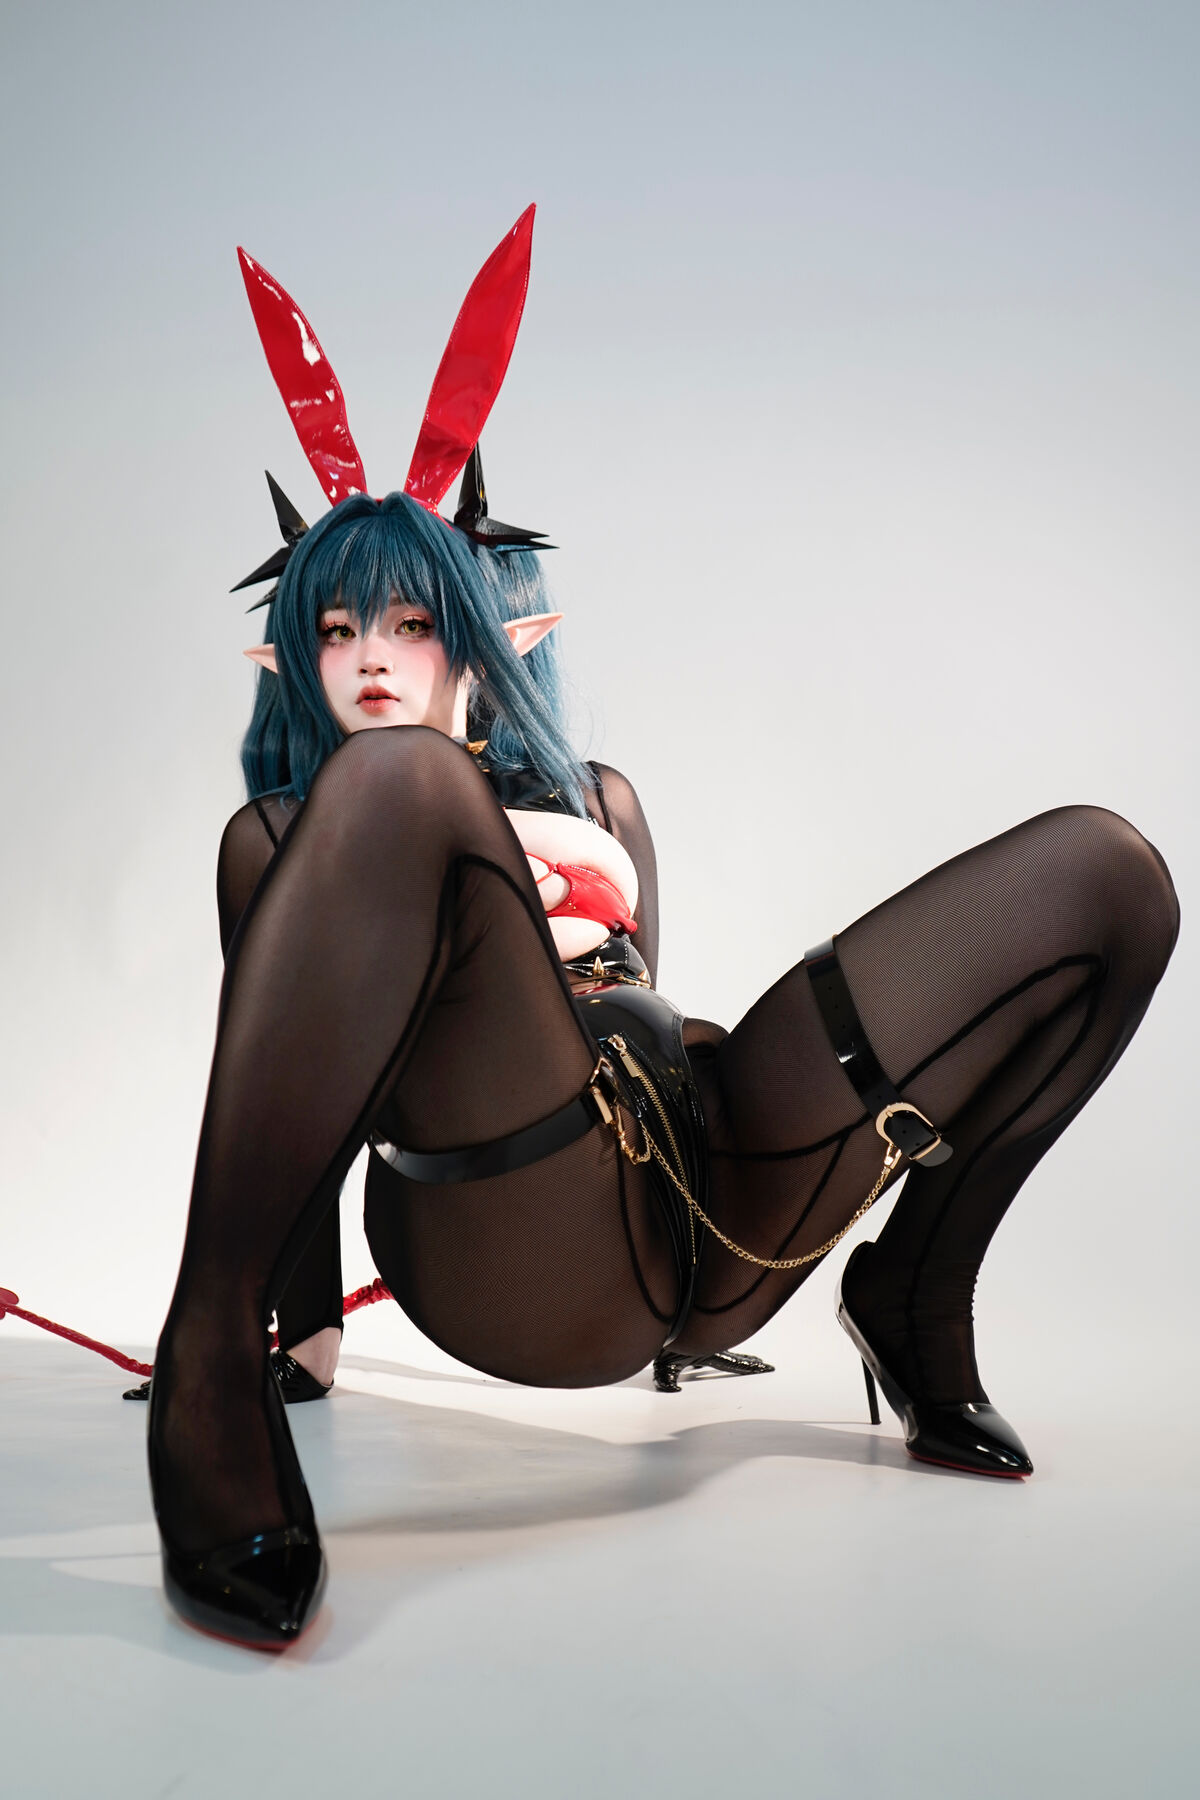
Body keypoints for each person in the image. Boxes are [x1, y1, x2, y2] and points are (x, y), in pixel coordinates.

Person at [147, 208, 1179, 1649]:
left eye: (410, 624)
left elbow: (647, 991)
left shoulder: (600, 804)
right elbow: (292, 1115)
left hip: (706, 1185)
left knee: (1111, 879)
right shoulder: (283, 837)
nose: (371, 657)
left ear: (477, 637)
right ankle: (203, 1358)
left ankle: (915, 1294)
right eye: (335, 630)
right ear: (298, 657)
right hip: (519, 1234)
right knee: (396, 786)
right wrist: (296, 1330)